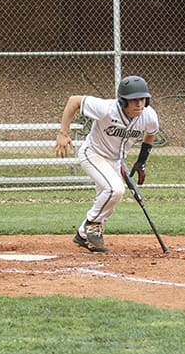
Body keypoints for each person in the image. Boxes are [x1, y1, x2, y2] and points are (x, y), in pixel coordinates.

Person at [54, 75, 160, 253]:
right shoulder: (106, 109)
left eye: (142, 99)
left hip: (115, 161)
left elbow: (151, 133)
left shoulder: (148, 116)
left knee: (109, 197)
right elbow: (74, 101)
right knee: (114, 190)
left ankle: (82, 234)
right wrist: (63, 133)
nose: (139, 104)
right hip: (93, 154)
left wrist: (141, 162)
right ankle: (92, 224)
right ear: (122, 101)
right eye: (133, 100)